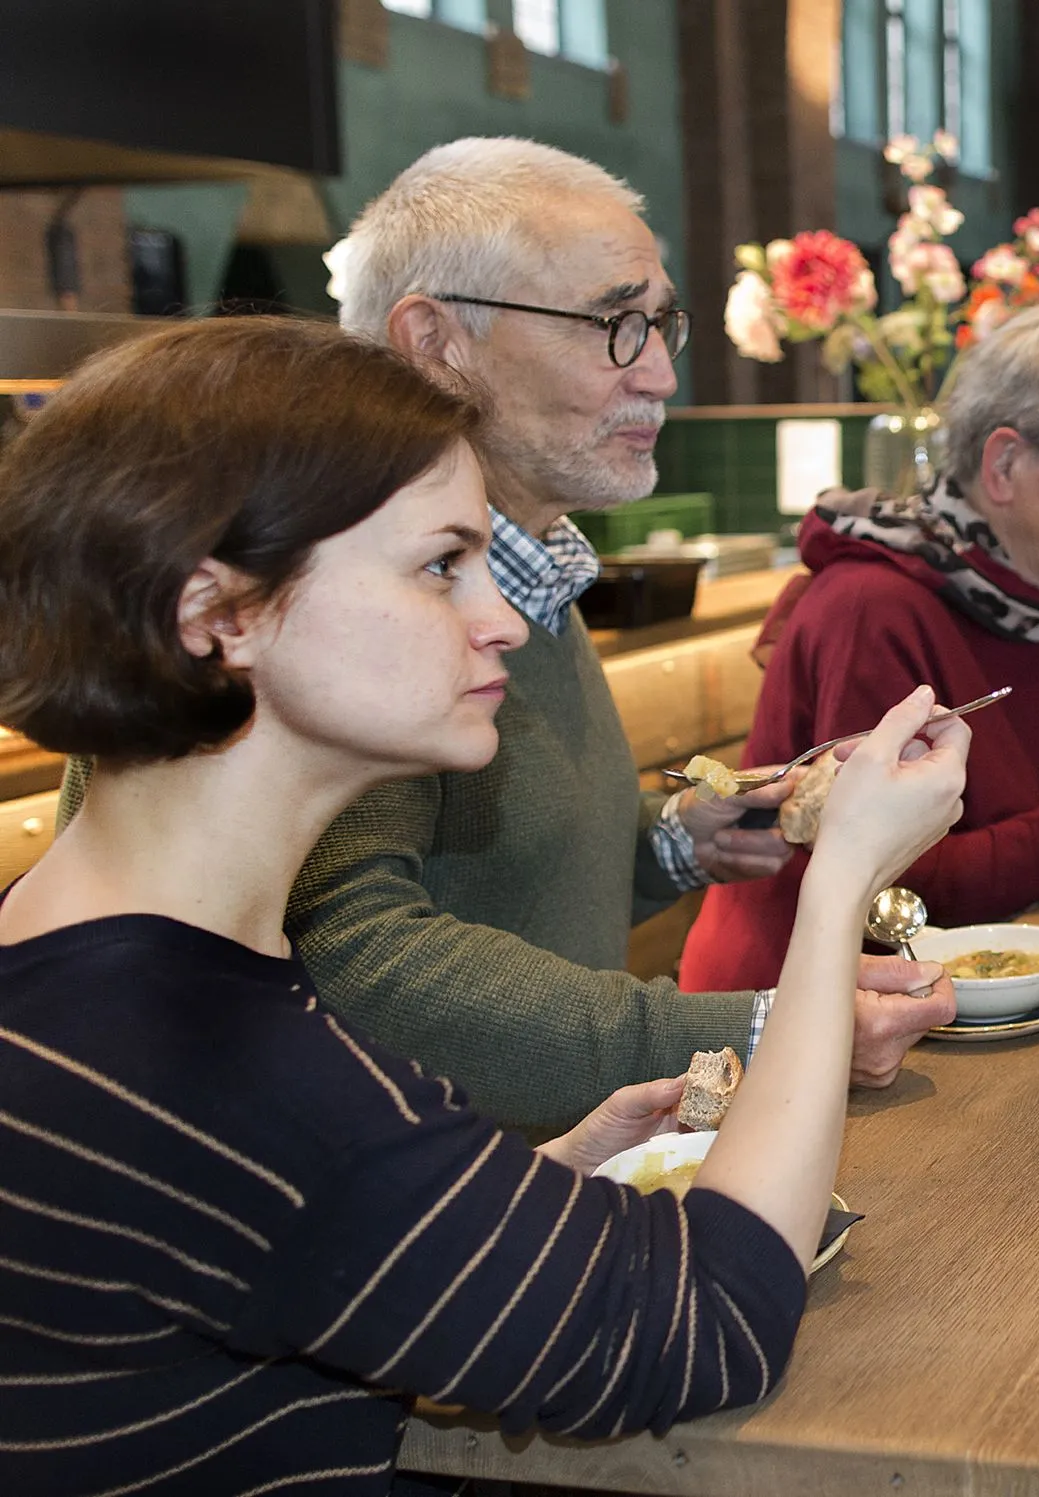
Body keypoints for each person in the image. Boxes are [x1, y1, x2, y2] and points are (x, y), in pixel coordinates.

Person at [0, 317, 968, 1489]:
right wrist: (841, 879)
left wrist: (528, 1185)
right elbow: (709, 1326)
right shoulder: (228, 1072)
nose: (501, 618)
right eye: (439, 566)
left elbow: (281, 1245)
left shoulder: (70, 956)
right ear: (219, 616)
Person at [53, 138, 957, 1132]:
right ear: (433, 341)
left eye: (662, 323)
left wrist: (673, 842)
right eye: (614, 324)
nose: (660, 373)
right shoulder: (329, 618)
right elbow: (358, 961)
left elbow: (504, 872)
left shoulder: (537, 559)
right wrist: (763, 1028)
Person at [679, 290, 1039, 987]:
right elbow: (891, 891)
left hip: (1000, 983)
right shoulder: (871, 607)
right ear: (1004, 465)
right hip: (788, 1010)